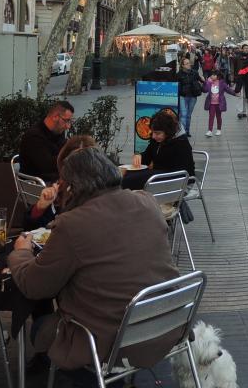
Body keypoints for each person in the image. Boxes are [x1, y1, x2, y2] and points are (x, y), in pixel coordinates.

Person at [9, 148, 180, 385]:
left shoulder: (73, 224)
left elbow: (35, 286)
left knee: (40, 327)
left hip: (108, 340)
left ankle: (96, 377)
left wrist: (21, 253)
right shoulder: (147, 202)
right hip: (165, 325)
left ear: (73, 186)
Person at [25, 135, 97, 230]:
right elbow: (30, 228)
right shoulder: (60, 187)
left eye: (83, 163)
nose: (76, 168)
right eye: (71, 162)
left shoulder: (97, 195)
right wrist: (39, 208)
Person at [127, 109, 195, 189]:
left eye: (157, 133)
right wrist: (139, 156)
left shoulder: (181, 143)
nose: (153, 136)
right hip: (159, 177)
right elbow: (146, 158)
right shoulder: (157, 140)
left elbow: (183, 173)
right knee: (126, 173)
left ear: (168, 132)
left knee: (131, 180)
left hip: (178, 183)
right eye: (153, 132)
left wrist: (150, 174)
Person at [18, 102, 75, 183]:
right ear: (55, 117)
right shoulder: (33, 136)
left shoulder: (58, 131)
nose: (68, 126)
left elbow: (63, 152)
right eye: (66, 121)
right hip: (38, 184)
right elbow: (47, 167)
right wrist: (72, 155)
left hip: (55, 179)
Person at [202, 69, 238, 137]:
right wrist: (206, 82)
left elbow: (228, 90)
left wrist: (235, 94)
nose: (212, 76)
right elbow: (205, 90)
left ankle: (219, 129)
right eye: (212, 75)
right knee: (211, 117)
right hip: (211, 103)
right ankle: (210, 130)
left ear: (218, 76)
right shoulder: (209, 82)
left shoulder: (222, 83)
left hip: (219, 103)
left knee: (219, 116)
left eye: (214, 75)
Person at [176, 57, 203, 136]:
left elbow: (201, 80)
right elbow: (176, 85)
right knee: (183, 115)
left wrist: (203, 80)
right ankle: (183, 133)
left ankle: (187, 131)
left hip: (193, 96)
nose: (189, 65)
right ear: (182, 65)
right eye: (186, 63)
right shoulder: (179, 74)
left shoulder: (194, 72)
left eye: (189, 63)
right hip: (183, 96)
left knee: (188, 115)